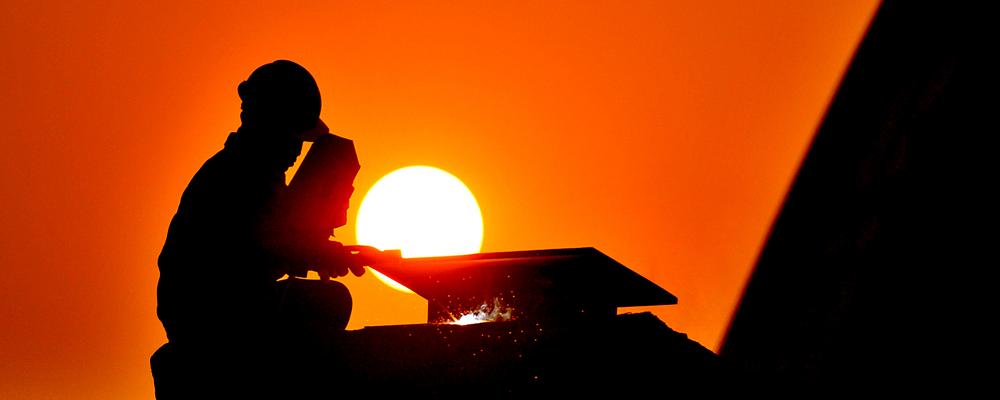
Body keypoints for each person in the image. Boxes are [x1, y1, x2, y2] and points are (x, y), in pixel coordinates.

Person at [151, 60, 367, 399]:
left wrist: (322, 252)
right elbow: (265, 246)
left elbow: (278, 243)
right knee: (327, 302)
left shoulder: (249, 174)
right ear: (273, 124)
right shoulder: (238, 177)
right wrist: (319, 253)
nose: (298, 150)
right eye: (294, 135)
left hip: (217, 310)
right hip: (213, 318)